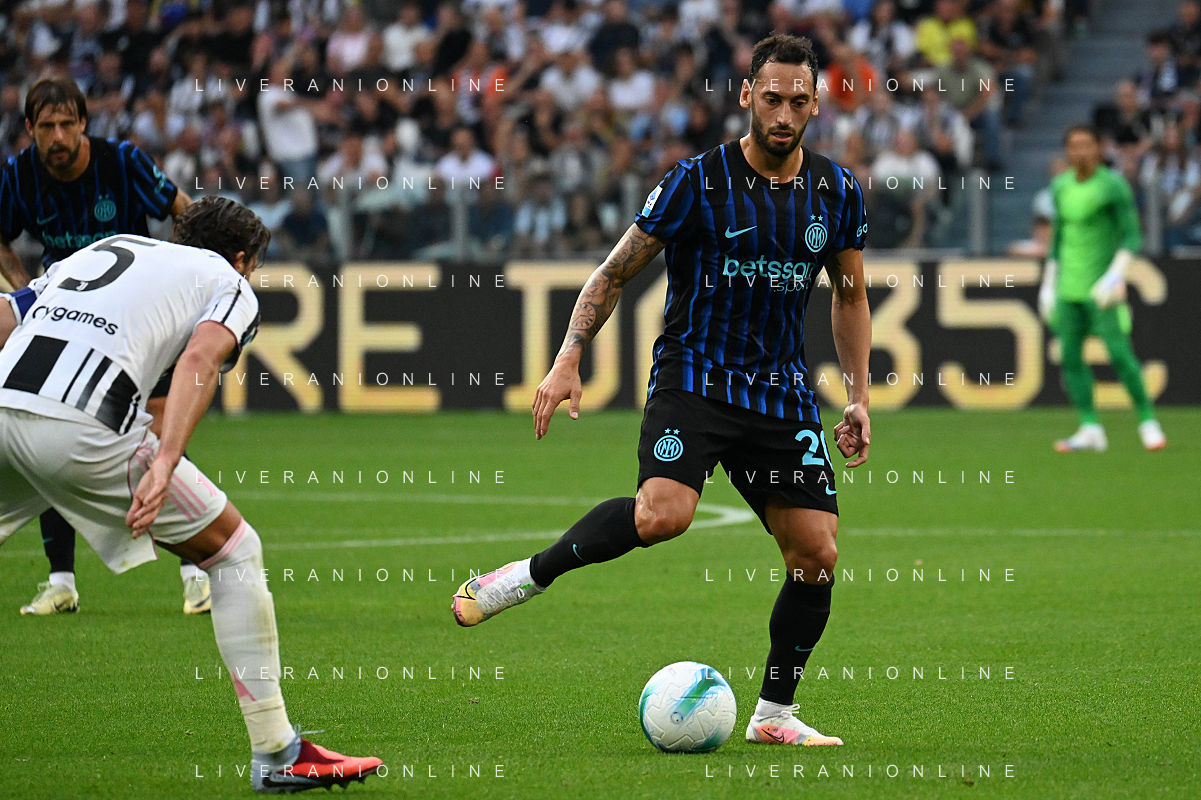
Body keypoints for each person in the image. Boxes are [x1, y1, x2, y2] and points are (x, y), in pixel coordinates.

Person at [452, 34, 872, 747]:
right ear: (747, 95)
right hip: (695, 379)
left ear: (814, 104)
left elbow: (850, 294)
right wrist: (568, 355)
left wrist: (857, 394)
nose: (784, 113)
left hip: (779, 394)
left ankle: (773, 715)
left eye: (799, 101)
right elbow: (613, 273)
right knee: (661, 517)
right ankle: (526, 576)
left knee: (816, 558)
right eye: (771, 98)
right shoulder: (696, 182)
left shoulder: (836, 191)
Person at [0, 197, 383, 793]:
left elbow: (7, 317)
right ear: (242, 259)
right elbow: (201, 359)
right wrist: (166, 459)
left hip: (6, 406)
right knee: (234, 550)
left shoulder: (107, 248)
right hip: (84, 425)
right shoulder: (228, 281)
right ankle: (277, 750)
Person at [0, 77, 209, 616]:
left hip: (136, 321)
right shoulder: (18, 175)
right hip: (66, 322)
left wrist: (186, 275)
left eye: (67, 124)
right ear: (30, 128)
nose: (58, 136)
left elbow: (183, 209)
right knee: (48, 431)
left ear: (84, 123)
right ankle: (62, 583)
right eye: (47, 126)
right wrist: (23, 288)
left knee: (157, 432)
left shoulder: (122, 161)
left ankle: (196, 572)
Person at [1038, 125, 1167, 452]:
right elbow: (1058, 238)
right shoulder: (1060, 186)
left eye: (1086, 145)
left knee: (1120, 355)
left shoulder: (1112, 186)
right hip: (1068, 289)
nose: (1080, 151)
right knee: (1070, 358)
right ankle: (1090, 427)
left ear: (1098, 149)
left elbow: (1132, 235)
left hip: (1102, 289)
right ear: (1067, 151)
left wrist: (1115, 275)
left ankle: (1148, 420)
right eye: (1074, 146)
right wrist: (1049, 283)